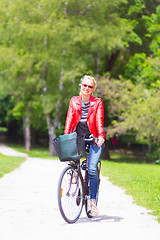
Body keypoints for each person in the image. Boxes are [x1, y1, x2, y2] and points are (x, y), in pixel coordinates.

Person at [64, 75, 105, 217]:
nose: (87, 88)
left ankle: (92, 203)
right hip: (79, 138)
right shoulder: (74, 101)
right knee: (71, 155)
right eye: (85, 85)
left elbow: (99, 121)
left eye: (90, 86)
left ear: (93, 89)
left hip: (94, 139)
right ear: (81, 85)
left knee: (92, 169)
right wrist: (66, 137)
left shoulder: (98, 102)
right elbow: (69, 121)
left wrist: (100, 136)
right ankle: (75, 173)